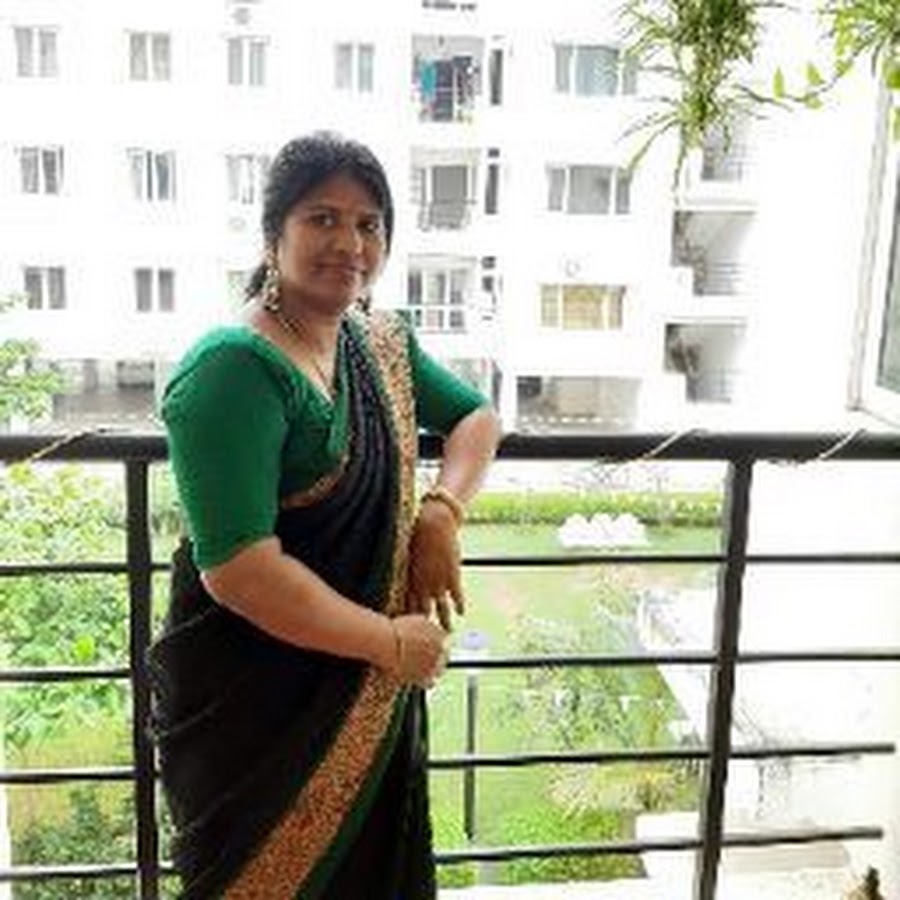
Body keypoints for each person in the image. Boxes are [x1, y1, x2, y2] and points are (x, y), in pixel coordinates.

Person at [147, 131, 501, 899]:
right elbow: (240, 571)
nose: (349, 243)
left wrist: (441, 513)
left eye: (369, 223)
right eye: (322, 218)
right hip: (256, 705)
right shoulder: (233, 368)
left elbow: (476, 418)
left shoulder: (379, 347)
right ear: (273, 235)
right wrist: (389, 642)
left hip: (370, 691)